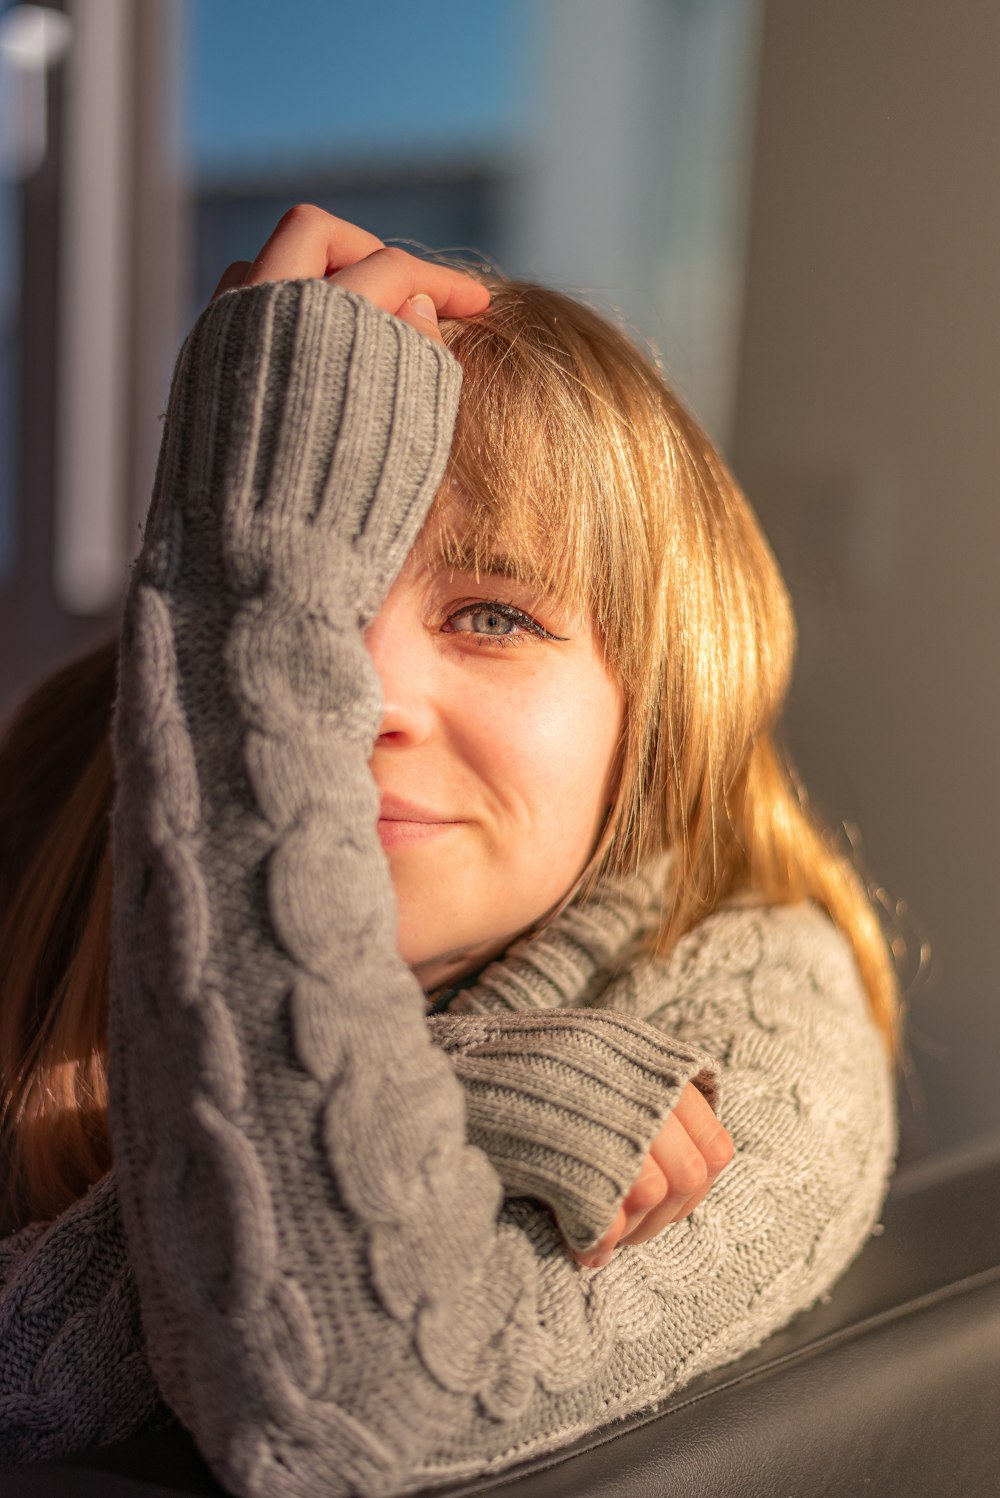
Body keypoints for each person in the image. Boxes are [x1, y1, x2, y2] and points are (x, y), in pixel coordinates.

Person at [0, 206, 897, 1492]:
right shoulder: (60, 790)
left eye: (491, 612)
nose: (357, 695)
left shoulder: (755, 1022)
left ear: (658, 702)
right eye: (318, 592)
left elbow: (344, 1398)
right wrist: (447, 1090)